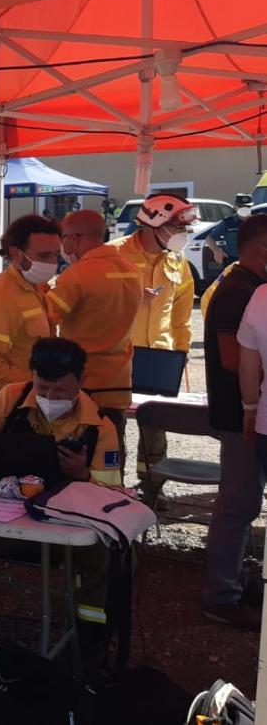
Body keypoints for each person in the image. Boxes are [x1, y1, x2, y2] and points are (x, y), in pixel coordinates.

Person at [0, 338, 121, 658]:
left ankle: (89, 639)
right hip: (2, 523)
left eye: (60, 391)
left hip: (63, 534)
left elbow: (111, 496)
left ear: (82, 381)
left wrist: (83, 476)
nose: (49, 397)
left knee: (103, 546)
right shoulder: (10, 398)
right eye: (43, 388)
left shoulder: (100, 426)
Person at [109, 193, 197, 499]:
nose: (183, 235)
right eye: (177, 227)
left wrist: (181, 353)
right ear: (154, 225)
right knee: (111, 426)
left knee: (155, 428)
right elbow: (91, 305)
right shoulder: (111, 255)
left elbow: (181, 315)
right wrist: (127, 297)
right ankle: (110, 488)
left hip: (160, 356)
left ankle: (152, 489)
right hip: (117, 357)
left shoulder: (177, 260)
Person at [206, 215, 267, 629]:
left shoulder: (248, 287)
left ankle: (238, 581)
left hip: (249, 414)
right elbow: (233, 358)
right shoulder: (238, 291)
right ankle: (220, 595)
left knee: (244, 504)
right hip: (240, 418)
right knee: (238, 504)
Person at [48, 210, 143, 442]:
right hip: (119, 383)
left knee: (77, 458)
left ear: (72, 238)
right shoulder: (133, 271)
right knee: (111, 454)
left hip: (83, 383)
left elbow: (47, 318)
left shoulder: (77, 275)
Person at [0, 214, 61, 409]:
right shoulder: (1, 297)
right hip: (6, 416)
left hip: (33, 408)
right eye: (45, 256)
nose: (53, 262)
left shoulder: (37, 288)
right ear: (17, 254)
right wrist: (42, 388)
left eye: (56, 255)